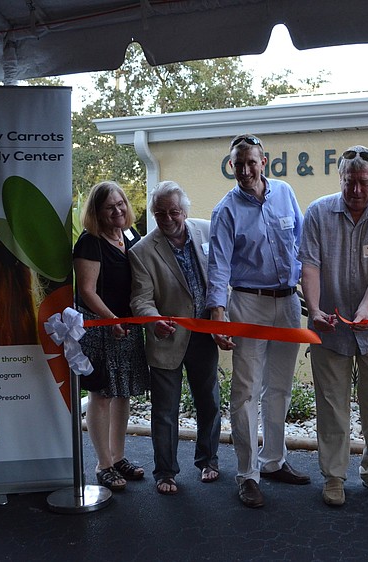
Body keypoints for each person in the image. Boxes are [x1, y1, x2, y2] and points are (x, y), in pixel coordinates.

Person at [206, 133, 310, 508]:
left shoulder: (285, 192)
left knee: (279, 388)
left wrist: (314, 298)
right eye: (239, 164)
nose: (246, 170)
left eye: (252, 162)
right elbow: (218, 266)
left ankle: (274, 461)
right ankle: (248, 474)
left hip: (288, 303)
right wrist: (218, 314)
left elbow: (302, 244)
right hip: (248, 303)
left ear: (264, 162)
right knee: (246, 391)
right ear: (231, 166)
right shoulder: (225, 210)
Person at [299, 145, 368, 507]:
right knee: (331, 405)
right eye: (350, 181)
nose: (356, 190)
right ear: (340, 178)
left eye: (364, 182)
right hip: (328, 327)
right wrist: (315, 309)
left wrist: (364, 309)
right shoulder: (317, 213)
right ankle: (334, 476)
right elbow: (310, 266)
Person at [129, 181, 222, 495]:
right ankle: (165, 472)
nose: (167, 219)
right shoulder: (142, 251)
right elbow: (140, 298)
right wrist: (154, 320)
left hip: (204, 334)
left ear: (185, 210)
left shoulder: (207, 231)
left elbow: (222, 276)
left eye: (173, 212)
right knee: (165, 411)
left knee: (209, 401)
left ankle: (208, 460)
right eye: (160, 213)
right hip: (166, 337)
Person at [74, 180, 149, 492]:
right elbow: (86, 291)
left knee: (122, 392)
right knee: (102, 394)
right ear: (97, 212)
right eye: (109, 207)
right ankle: (103, 464)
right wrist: (111, 319)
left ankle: (118, 457)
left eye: (121, 204)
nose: (117, 210)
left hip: (127, 325)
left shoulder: (129, 235)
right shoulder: (90, 242)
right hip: (100, 326)